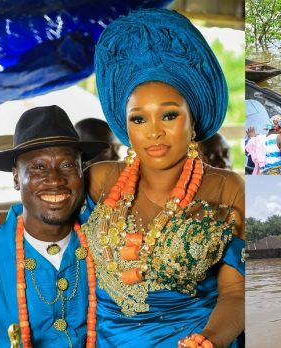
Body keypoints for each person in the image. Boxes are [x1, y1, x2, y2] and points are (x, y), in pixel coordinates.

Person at [91, 8, 244, 347]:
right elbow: (45, 216)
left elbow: (236, 291)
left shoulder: (228, 188)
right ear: (126, 125)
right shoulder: (100, 180)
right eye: (139, 119)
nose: (154, 133)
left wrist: (209, 340)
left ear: (193, 118)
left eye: (169, 114)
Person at [0, 105, 108, 347]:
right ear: (16, 177)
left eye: (67, 165)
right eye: (38, 167)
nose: (55, 180)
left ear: (82, 172)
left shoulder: (107, 235)